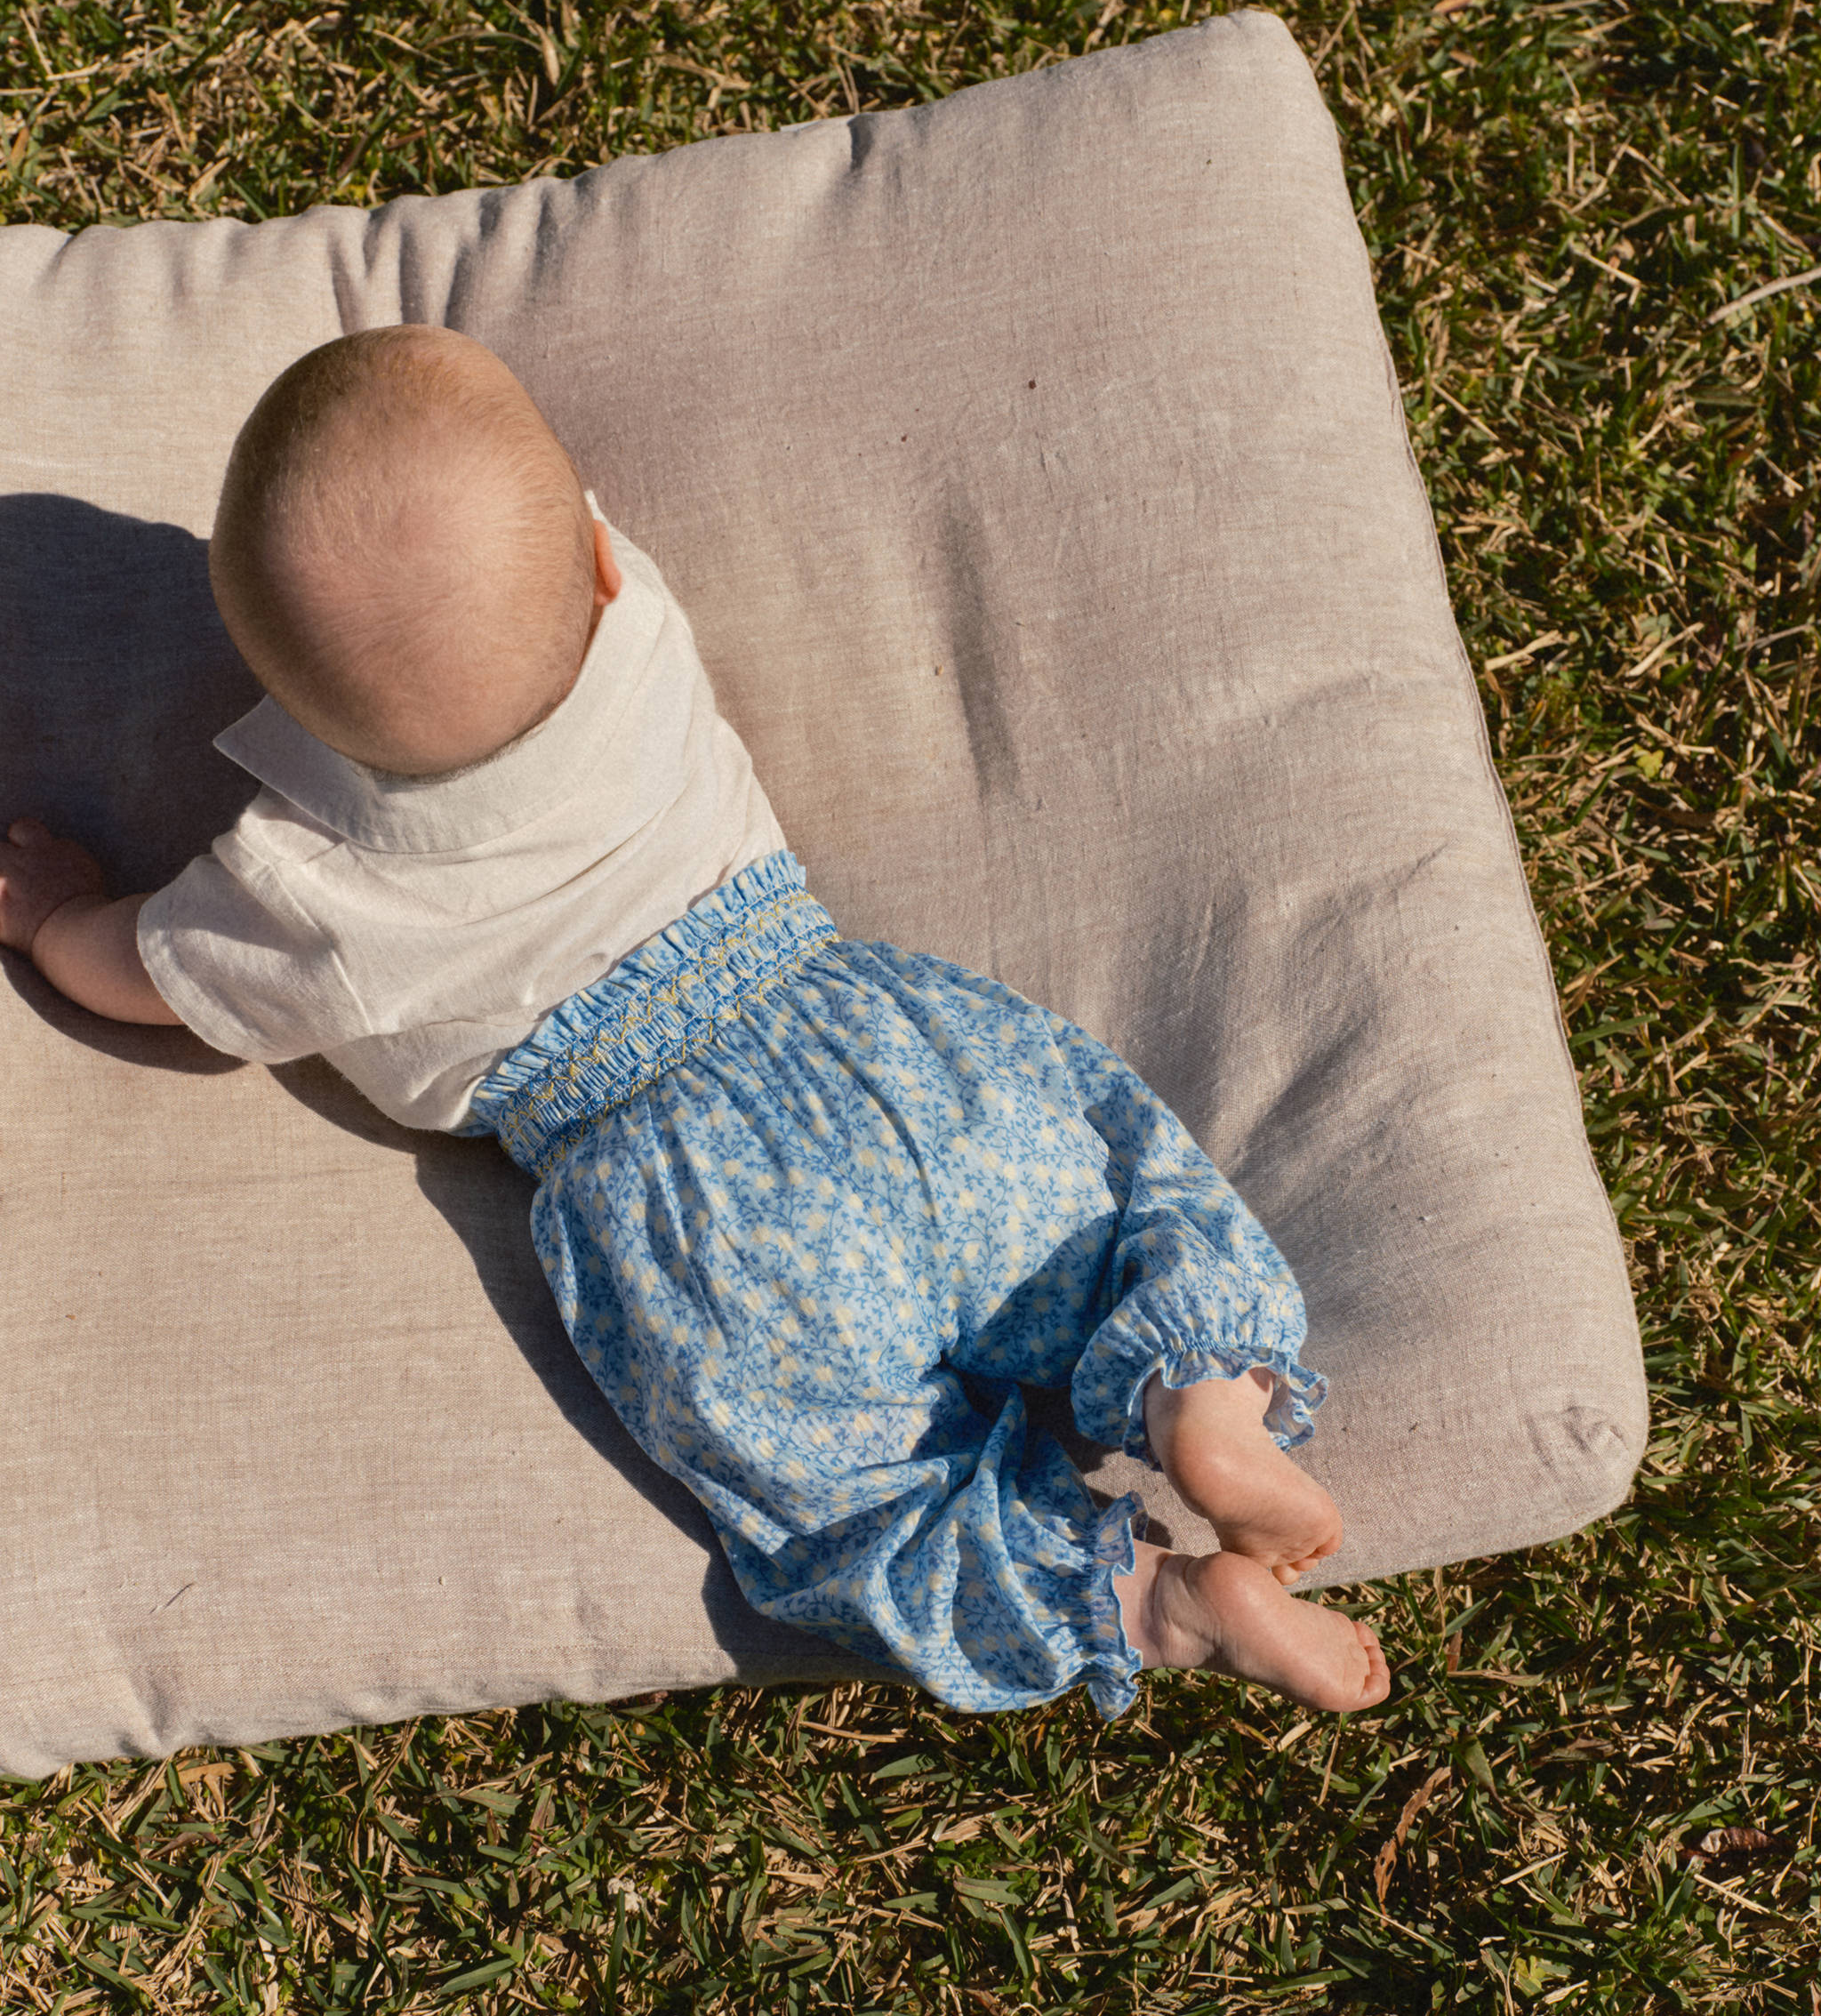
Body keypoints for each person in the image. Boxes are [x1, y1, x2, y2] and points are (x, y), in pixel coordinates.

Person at [0, 326, 1390, 1722]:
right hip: (885, 1050)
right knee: (1113, 1168)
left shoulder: (303, 893)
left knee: (850, 1494)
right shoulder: (634, 628)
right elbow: (548, 524)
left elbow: (150, 970)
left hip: (698, 1215)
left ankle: (1150, 1599)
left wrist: (61, 915)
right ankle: (1199, 1390)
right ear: (599, 564)